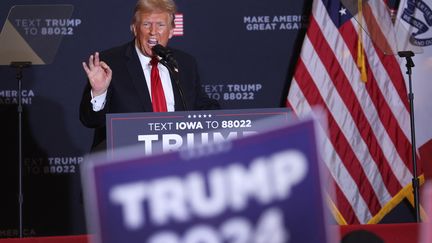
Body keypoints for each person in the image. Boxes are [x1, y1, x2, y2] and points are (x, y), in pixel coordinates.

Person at [79, 0, 219, 151]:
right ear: (134, 28)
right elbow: (90, 120)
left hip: (177, 158)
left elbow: (201, 106)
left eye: (160, 25)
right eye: (146, 24)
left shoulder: (184, 63)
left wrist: (227, 122)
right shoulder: (111, 62)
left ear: (172, 31)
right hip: (128, 160)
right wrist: (99, 93)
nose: (153, 31)